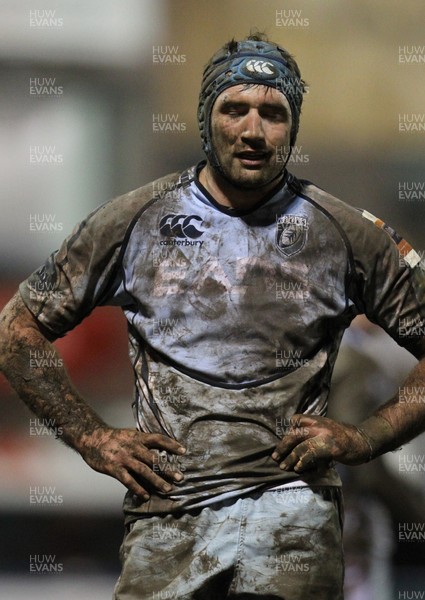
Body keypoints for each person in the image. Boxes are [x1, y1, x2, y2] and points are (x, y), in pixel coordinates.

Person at [1, 32, 425, 599]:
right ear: (207, 118)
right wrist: (94, 439)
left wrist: (365, 437)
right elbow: (17, 331)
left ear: (293, 127)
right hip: (168, 524)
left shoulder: (345, 235)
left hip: (294, 528)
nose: (253, 130)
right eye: (235, 109)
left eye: (273, 113)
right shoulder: (136, 222)